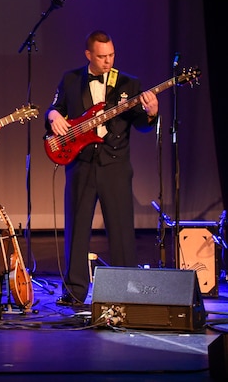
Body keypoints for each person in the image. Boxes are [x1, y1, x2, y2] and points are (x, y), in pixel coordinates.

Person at [45, 29, 158, 307]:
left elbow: (141, 125)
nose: (107, 61)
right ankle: (74, 292)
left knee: (120, 231)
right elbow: (55, 108)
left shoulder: (130, 83)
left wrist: (152, 112)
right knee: (76, 229)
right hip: (81, 165)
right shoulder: (71, 79)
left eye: (111, 55)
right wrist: (53, 114)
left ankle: (126, 292)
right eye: (101, 56)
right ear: (88, 55)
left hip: (115, 166)